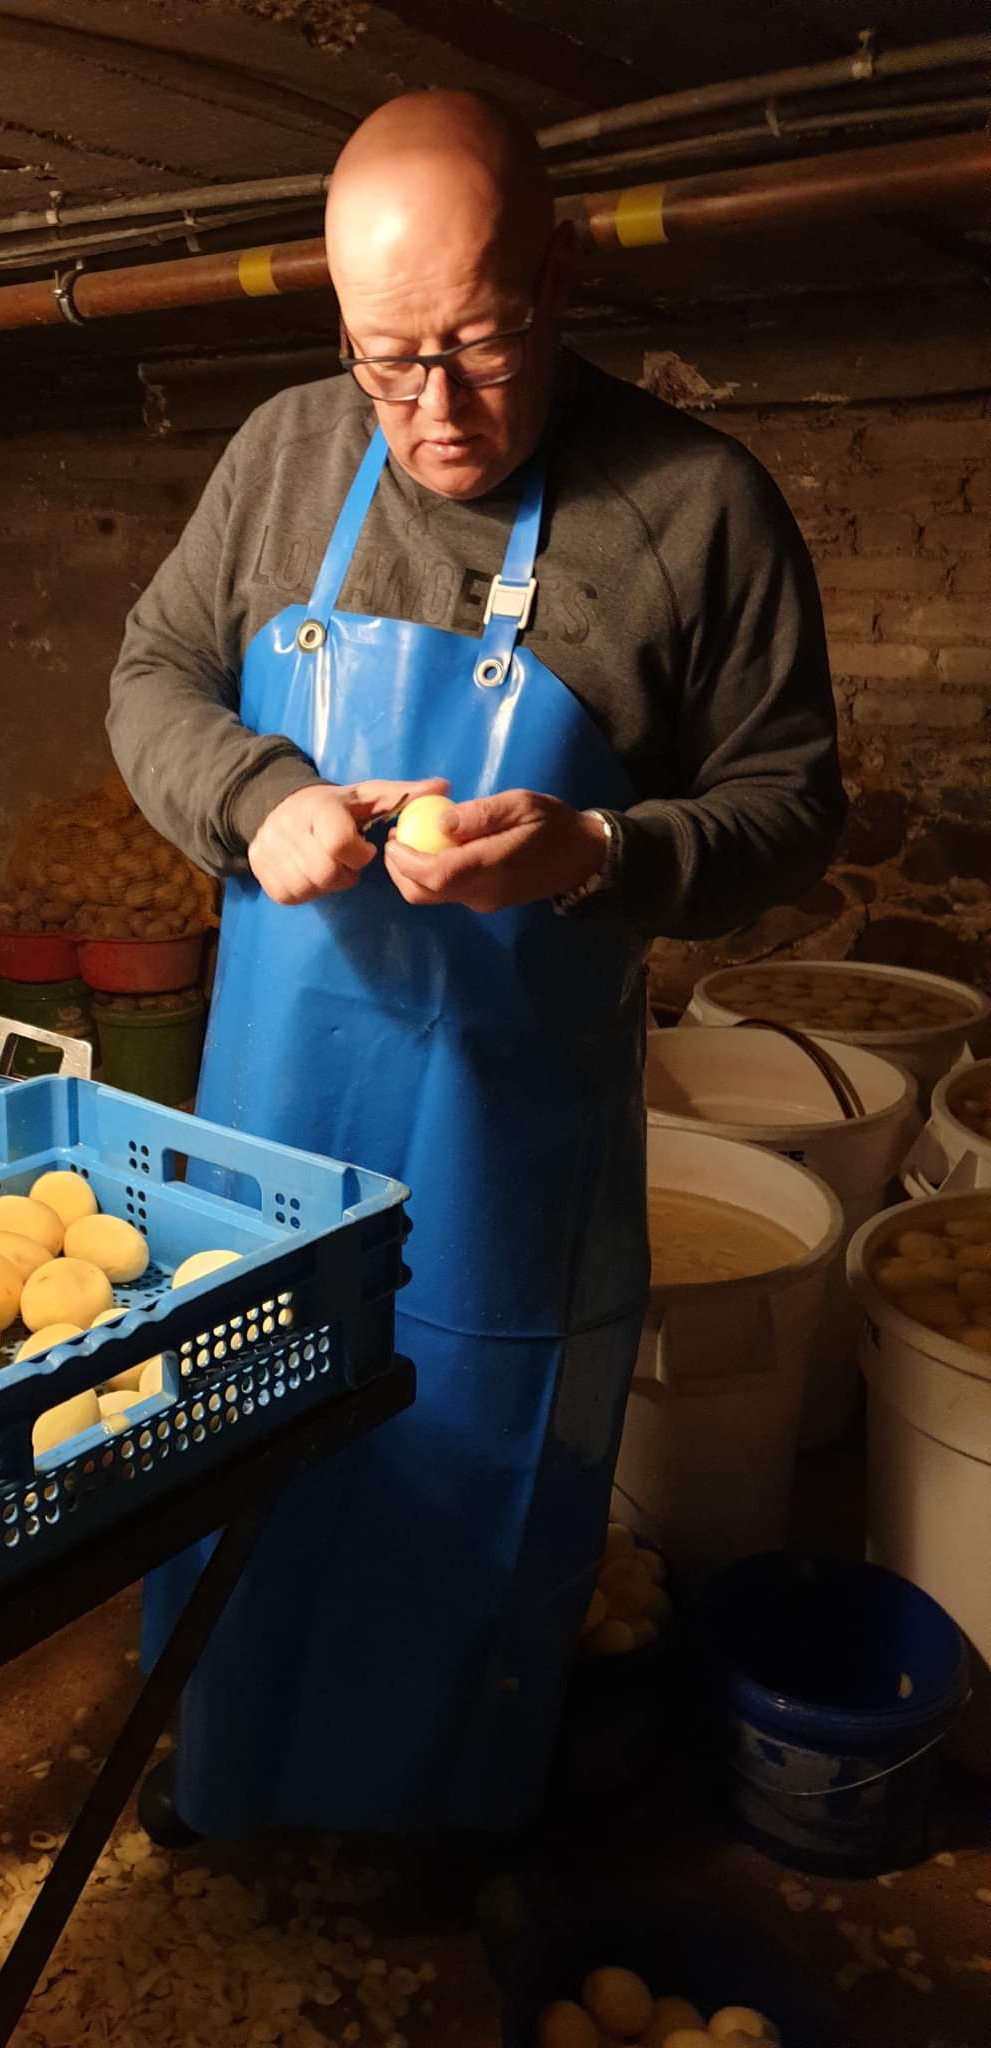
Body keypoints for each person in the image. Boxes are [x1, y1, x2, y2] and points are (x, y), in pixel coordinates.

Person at [107, 90, 844, 1843]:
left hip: (512, 1159)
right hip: (270, 1142)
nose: (435, 415)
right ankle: (222, 1795)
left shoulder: (696, 511)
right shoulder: (286, 457)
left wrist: (607, 850)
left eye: (482, 349)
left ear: (560, 274)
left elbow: (794, 811)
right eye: (386, 361)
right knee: (246, 1460)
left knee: (475, 1503)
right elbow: (152, 674)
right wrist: (251, 790)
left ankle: (431, 1848)